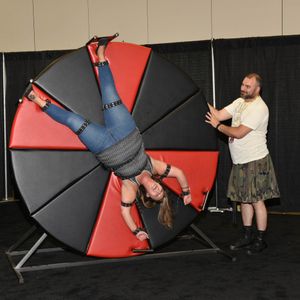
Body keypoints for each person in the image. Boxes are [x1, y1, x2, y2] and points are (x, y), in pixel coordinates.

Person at [27, 33, 192, 242]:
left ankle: (39, 101)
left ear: (148, 195)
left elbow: (125, 213)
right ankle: (101, 54)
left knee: (74, 122)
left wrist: (136, 231)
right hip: (126, 131)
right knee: (110, 95)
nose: (158, 190)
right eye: (161, 191)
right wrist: (186, 192)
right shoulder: (155, 168)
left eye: (156, 194)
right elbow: (178, 173)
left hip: (104, 146)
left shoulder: (130, 189)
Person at [205, 73, 280, 255]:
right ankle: (247, 235)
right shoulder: (239, 102)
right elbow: (219, 114)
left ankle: (260, 240)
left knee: (257, 200)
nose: (243, 88)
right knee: (243, 199)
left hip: (255, 160)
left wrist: (217, 126)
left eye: (248, 86)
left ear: (257, 89)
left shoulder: (259, 108)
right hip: (239, 160)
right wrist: (197, 97)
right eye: (243, 84)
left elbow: (238, 133)